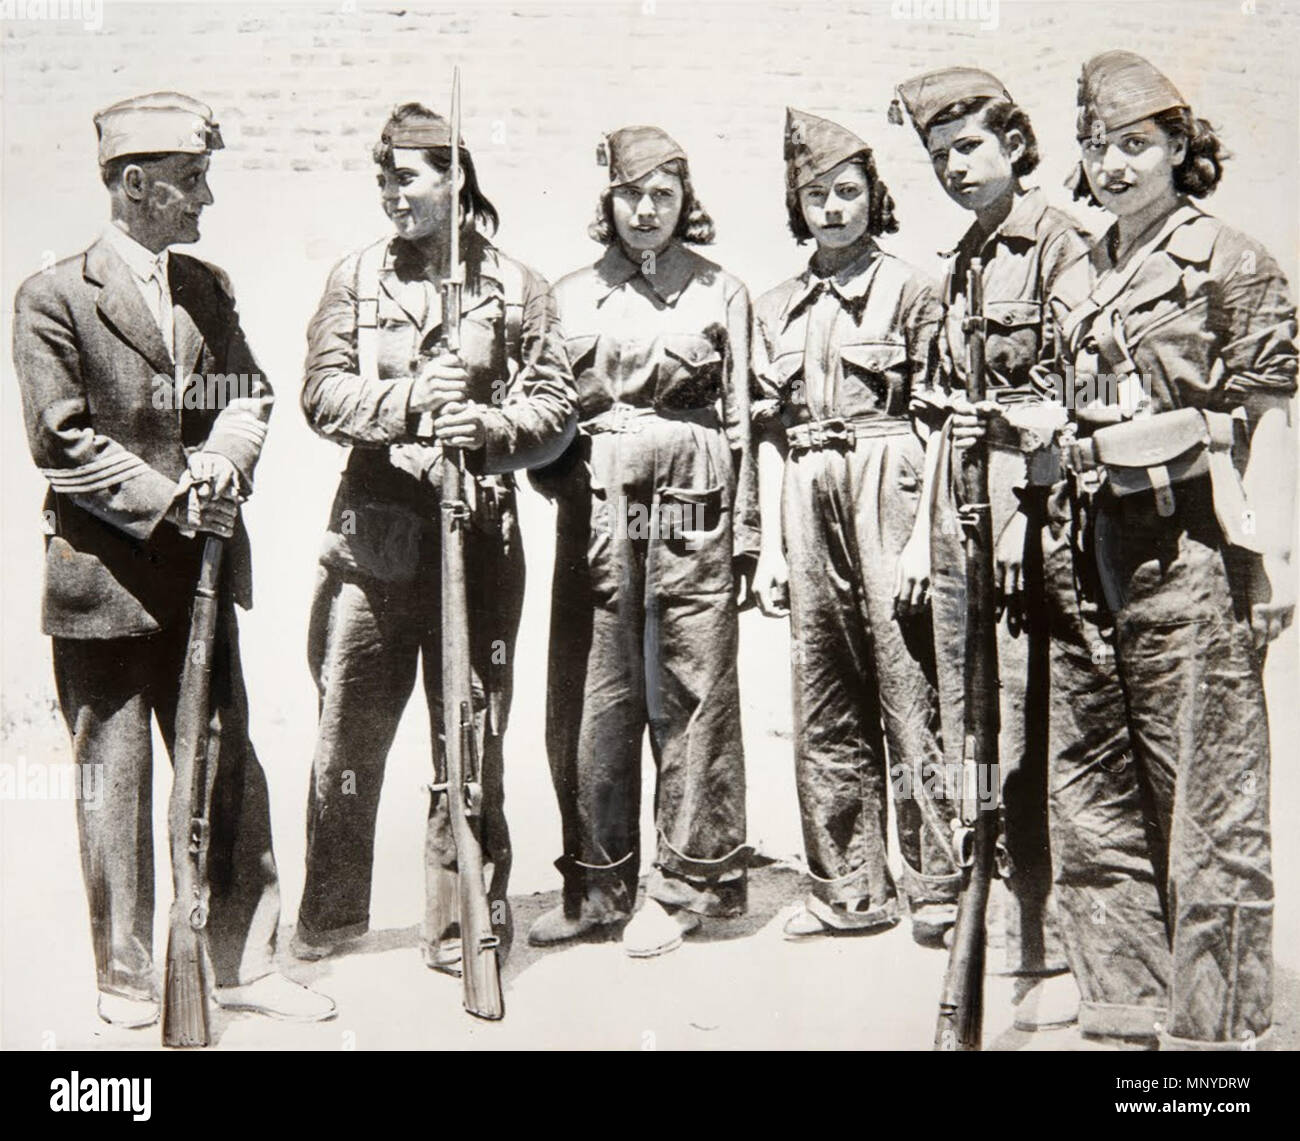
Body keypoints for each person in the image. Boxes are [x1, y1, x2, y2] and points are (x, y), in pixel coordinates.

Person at [11, 92, 334, 1028]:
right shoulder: (52, 298)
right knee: (114, 782)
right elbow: (61, 441)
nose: (207, 199)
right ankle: (124, 977)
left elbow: (250, 393)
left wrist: (224, 460)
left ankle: (240, 961)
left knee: (226, 769)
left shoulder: (208, 286)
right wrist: (172, 494)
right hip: (104, 581)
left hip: (202, 576)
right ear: (137, 184)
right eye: (193, 180)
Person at [1029, 51, 1294, 1048]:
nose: (1113, 166)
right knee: (1093, 780)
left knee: (1208, 788)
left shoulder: (1231, 259)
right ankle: (1122, 997)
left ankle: (1213, 1028)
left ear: (1181, 148)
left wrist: (1267, 557)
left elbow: (1275, 413)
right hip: (1090, 537)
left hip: (1191, 539)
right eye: (1097, 148)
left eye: (1134, 146)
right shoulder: (1080, 267)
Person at [294, 101, 576, 973]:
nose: (390, 194)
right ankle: (331, 917)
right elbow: (321, 394)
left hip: (481, 540)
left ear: (456, 179)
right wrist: (409, 401)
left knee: (472, 734)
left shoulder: (519, 287)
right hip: (375, 539)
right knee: (349, 735)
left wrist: (486, 430)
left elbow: (558, 407)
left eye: (406, 177)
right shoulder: (356, 278)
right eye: (381, 178)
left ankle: (463, 923)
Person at [890, 67, 1090, 1028]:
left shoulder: (1063, 245)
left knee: (1038, 722)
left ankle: (1054, 946)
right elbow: (945, 419)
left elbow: (1073, 400)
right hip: (963, 515)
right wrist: (929, 540)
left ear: (1014, 140)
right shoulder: (962, 261)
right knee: (978, 723)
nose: (955, 170)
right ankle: (1001, 912)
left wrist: (1025, 512)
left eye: (969, 147)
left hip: (1032, 507)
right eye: (938, 159)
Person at [527, 126, 758, 958]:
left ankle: (690, 879)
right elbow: (546, 409)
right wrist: (562, 487)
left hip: (695, 499)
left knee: (693, 684)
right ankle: (598, 882)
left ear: (685, 201)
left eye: (664, 194)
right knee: (596, 692)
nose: (647, 210)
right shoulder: (569, 294)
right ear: (608, 202)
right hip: (599, 506)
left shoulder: (721, 290)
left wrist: (749, 531)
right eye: (631, 195)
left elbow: (741, 414)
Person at [750, 108, 961, 944]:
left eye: (848, 192)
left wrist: (920, 540)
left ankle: (940, 880)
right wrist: (769, 545)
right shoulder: (776, 305)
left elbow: (938, 420)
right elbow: (769, 433)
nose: (834, 208)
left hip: (892, 485)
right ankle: (849, 889)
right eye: (816, 196)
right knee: (823, 691)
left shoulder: (912, 289)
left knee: (913, 686)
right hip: (805, 488)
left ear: (875, 195)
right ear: (797, 206)